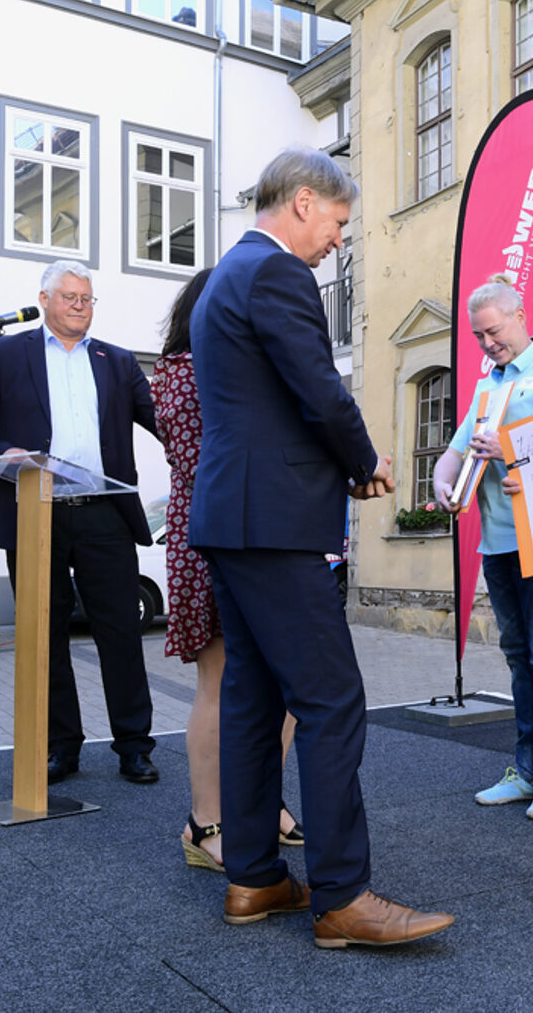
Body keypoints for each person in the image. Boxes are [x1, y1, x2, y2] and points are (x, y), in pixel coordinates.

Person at [188, 147, 453, 947]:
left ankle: (257, 878)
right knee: (333, 701)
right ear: (304, 203)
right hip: (273, 523)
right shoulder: (276, 275)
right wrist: (365, 461)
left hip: (235, 519)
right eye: (339, 222)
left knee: (252, 701)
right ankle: (343, 897)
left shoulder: (223, 278)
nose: (339, 240)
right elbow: (318, 387)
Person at [0, 260, 158, 786]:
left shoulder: (118, 362)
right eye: (70, 298)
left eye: (87, 299)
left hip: (103, 514)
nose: (81, 307)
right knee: (46, 636)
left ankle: (133, 745)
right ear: (44, 299)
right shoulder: (6, 353)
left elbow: (164, 423)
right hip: (35, 514)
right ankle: (62, 745)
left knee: (121, 633)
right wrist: (4, 452)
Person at [152, 269, 302, 873]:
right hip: (215, 536)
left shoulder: (204, 367)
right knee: (218, 685)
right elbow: (218, 456)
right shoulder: (190, 371)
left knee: (284, 689)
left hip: (240, 533)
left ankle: (257, 807)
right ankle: (205, 823)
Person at [433, 276, 533, 821]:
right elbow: (455, 452)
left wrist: (510, 449)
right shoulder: (488, 385)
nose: (487, 344)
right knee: (517, 654)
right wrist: (442, 482)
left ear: (521, 316)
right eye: (478, 336)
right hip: (498, 539)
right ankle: (524, 769)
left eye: (493, 331)